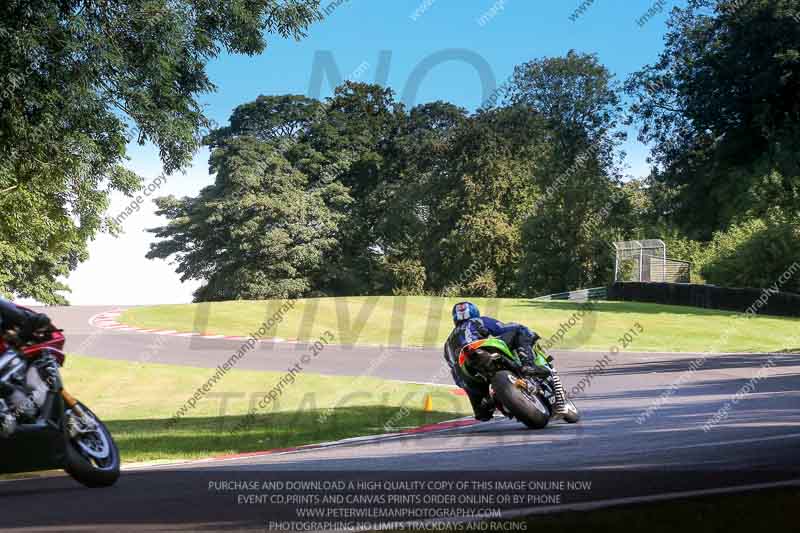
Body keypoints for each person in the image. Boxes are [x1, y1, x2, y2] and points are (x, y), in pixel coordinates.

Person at [443, 301, 566, 421]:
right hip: (481, 349)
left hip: (466, 373)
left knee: (483, 414)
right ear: (475, 312)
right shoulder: (477, 321)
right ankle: (528, 365)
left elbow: (454, 372)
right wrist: (530, 334)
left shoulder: (447, 343)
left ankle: (487, 405)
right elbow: (503, 328)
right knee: (519, 330)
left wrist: (472, 392)